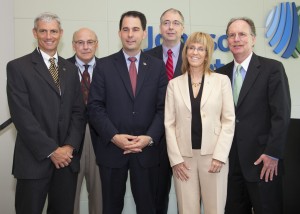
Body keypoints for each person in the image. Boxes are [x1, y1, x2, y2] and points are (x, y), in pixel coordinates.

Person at [87, 11, 168, 214]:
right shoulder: (103, 66)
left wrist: (149, 138)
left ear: (143, 34)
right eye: (125, 29)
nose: (130, 34)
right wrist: (114, 137)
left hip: (146, 151)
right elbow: (95, 107)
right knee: (111, 208)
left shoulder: (157, 67)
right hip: (113, 151)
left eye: (135, 29)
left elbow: (163, 108)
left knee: (148, 208)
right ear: (119, 33)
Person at [6, 12, 86, 214]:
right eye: (43, 31)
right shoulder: (18, 67)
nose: (49, 36)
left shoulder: (70, 68)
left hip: (66, 162)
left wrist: (68, 147)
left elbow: (78, 112)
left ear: (61, 34)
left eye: (53, 31)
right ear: (35, 33)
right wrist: (53, 150)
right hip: (34, 160)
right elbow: (21, 116)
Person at [216, 17, 291, 214]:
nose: (236, 39)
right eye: (231, 35)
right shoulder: (219, 74)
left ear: (253, 38)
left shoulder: (272, 69)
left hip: (263, 162)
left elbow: (281, 114)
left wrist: (273, 153)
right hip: (230, 165)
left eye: (242, 34)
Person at [164, 32, 235, 214]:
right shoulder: (174, 84)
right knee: (187, 210)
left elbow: (228, 120)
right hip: (184, 160)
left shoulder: (222, 81)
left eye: (201, 48)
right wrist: (175, 160)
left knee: (215, 209)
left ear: (207, 53)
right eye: (192, 48)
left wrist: (220, 155)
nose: (195, 52)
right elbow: (169, 124)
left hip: (213, 158)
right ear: (186, 51)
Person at [145, 8, 184, 213]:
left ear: (182, 28)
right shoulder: (146, 57)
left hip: (185, 137)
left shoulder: (194, 55)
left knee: (187, 196)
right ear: (160, 27)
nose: (171, 27)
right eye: (166, 23)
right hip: (156, 137)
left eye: (176, 23)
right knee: (157, 195)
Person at [67, 27, 102, 214]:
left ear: (97, 44)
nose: (85, 47)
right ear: (73, 45)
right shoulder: (63, 67)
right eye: (80, 42)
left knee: (100, 198)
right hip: (70, 140)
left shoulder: (108, 67)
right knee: (69, 196)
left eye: (90, 42)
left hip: (101, 137)